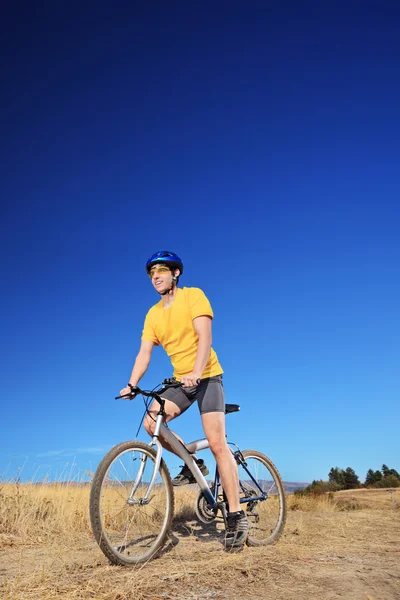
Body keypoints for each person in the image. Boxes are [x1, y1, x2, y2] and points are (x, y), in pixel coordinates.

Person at [119, 250, 248, 549]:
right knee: (152, 421)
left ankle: (236, 514)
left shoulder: (194, 297)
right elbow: (144, 353)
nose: (156, 276)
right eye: (152, 273)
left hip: (208, 377)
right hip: (181, 382)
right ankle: (193, 464)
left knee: (217, 443)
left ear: (176, 274)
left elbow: (205, 338)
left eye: (162, 271)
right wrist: (131, 384)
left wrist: (198, 372)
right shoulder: (153, 315)